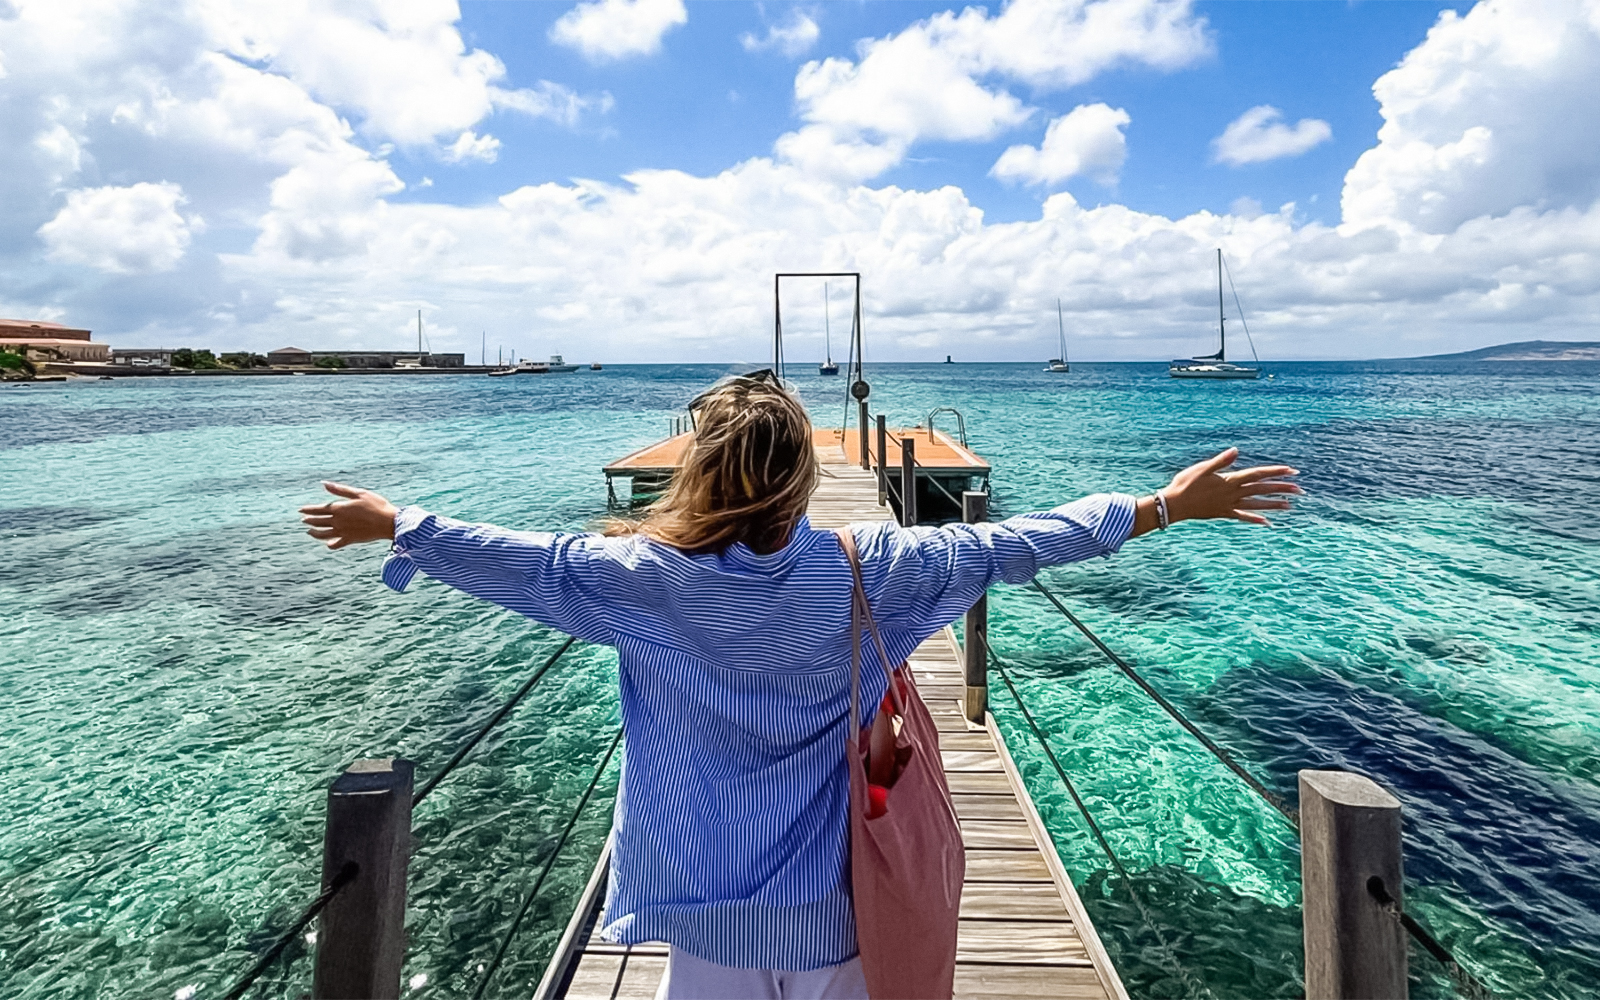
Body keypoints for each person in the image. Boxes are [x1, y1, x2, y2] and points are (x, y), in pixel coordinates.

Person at [299, 372, 1300, 1000]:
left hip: (698, 912)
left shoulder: (634, 579)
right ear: (798, 475)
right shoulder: (876, 568)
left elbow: (520, 558)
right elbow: (1012, 544)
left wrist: (403, 528)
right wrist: (1162, 506)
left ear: (699, 471)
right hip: (840, 911)